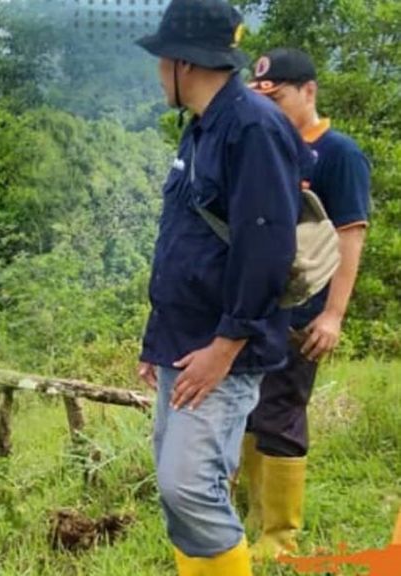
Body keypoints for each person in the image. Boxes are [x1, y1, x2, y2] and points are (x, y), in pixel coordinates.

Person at [135, 0, 312, 573]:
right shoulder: (202, 129)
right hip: (182, 340)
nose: (159, 71)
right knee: (175, 484)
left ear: (184, 62)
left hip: (220, 350)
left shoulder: (252, 129)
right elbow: (186, 239)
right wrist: (154, 340)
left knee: (191, 487)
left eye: (163, 60)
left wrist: (227, 345)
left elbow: (268, 249)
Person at [241, 47, 371, 559]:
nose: (270, 107)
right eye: (262, 98)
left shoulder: (338, 153)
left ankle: (279, 537)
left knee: (280, 412)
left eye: (280, 97)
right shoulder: (265, 149)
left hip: (303, 315)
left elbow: (350, 235)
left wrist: (333, 314)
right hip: (254, 311)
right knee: (249, 412)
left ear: (309, 91)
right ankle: (255, 515)